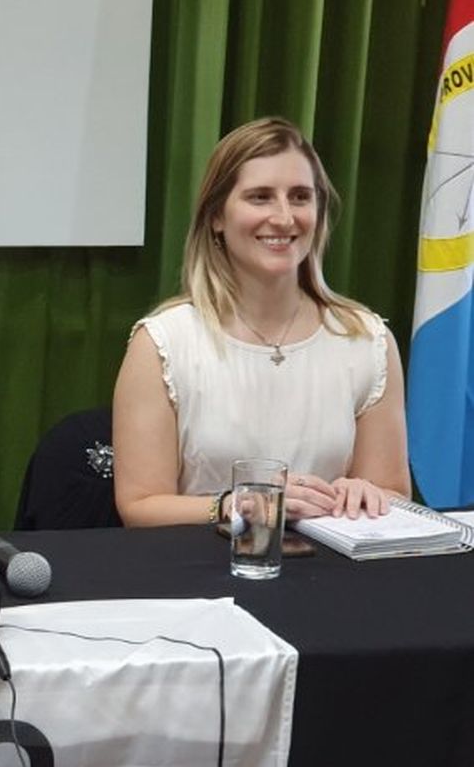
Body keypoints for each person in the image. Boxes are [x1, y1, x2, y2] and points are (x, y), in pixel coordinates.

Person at [113, 116, 411, 526]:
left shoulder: (366, 340)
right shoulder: (164, 342)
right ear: (217, 216)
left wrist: (368, 494)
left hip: (332, 577)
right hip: (202, 574)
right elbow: (139, 506)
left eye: (301, 197)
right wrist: (242, 506)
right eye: (260, 197)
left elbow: (392, 492)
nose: (285, 218)